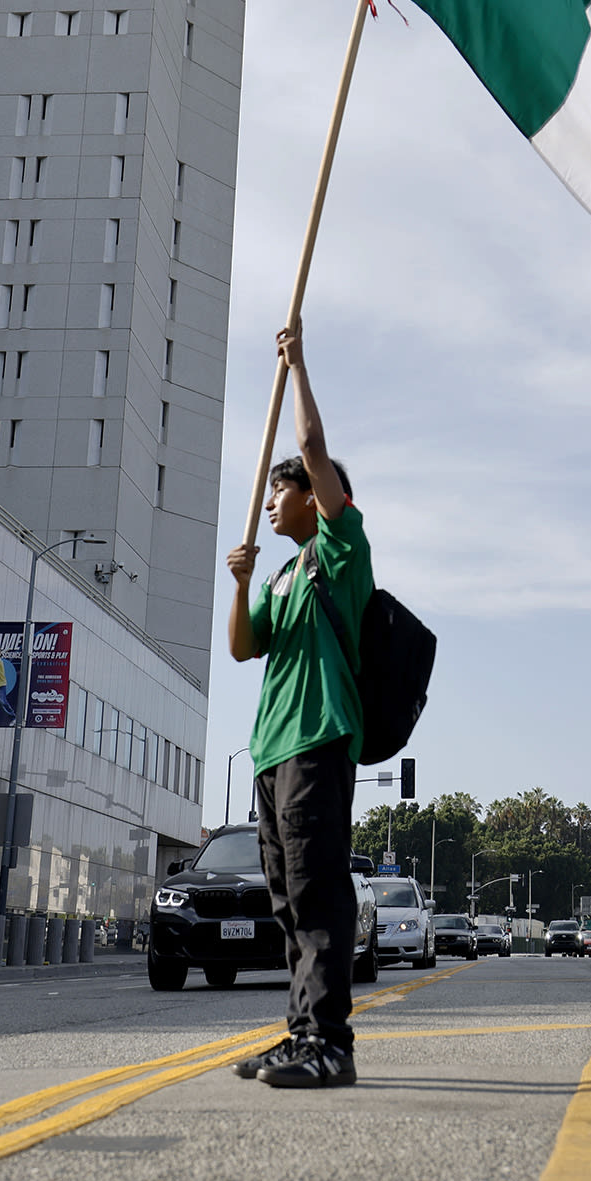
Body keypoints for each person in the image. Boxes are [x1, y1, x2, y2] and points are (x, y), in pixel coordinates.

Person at [225, 319, 372, 1089]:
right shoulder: (282, 579)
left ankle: (331, 1045)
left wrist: (300, 365)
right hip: (273, 749)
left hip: (319, 740)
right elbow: (243, 648)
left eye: (285, 490)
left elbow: (315, 452)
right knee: (287, 902)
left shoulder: (340, 551)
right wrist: (245, 583)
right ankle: (299, 1031)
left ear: (319, 499)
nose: (274, 502)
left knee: (318, 894)